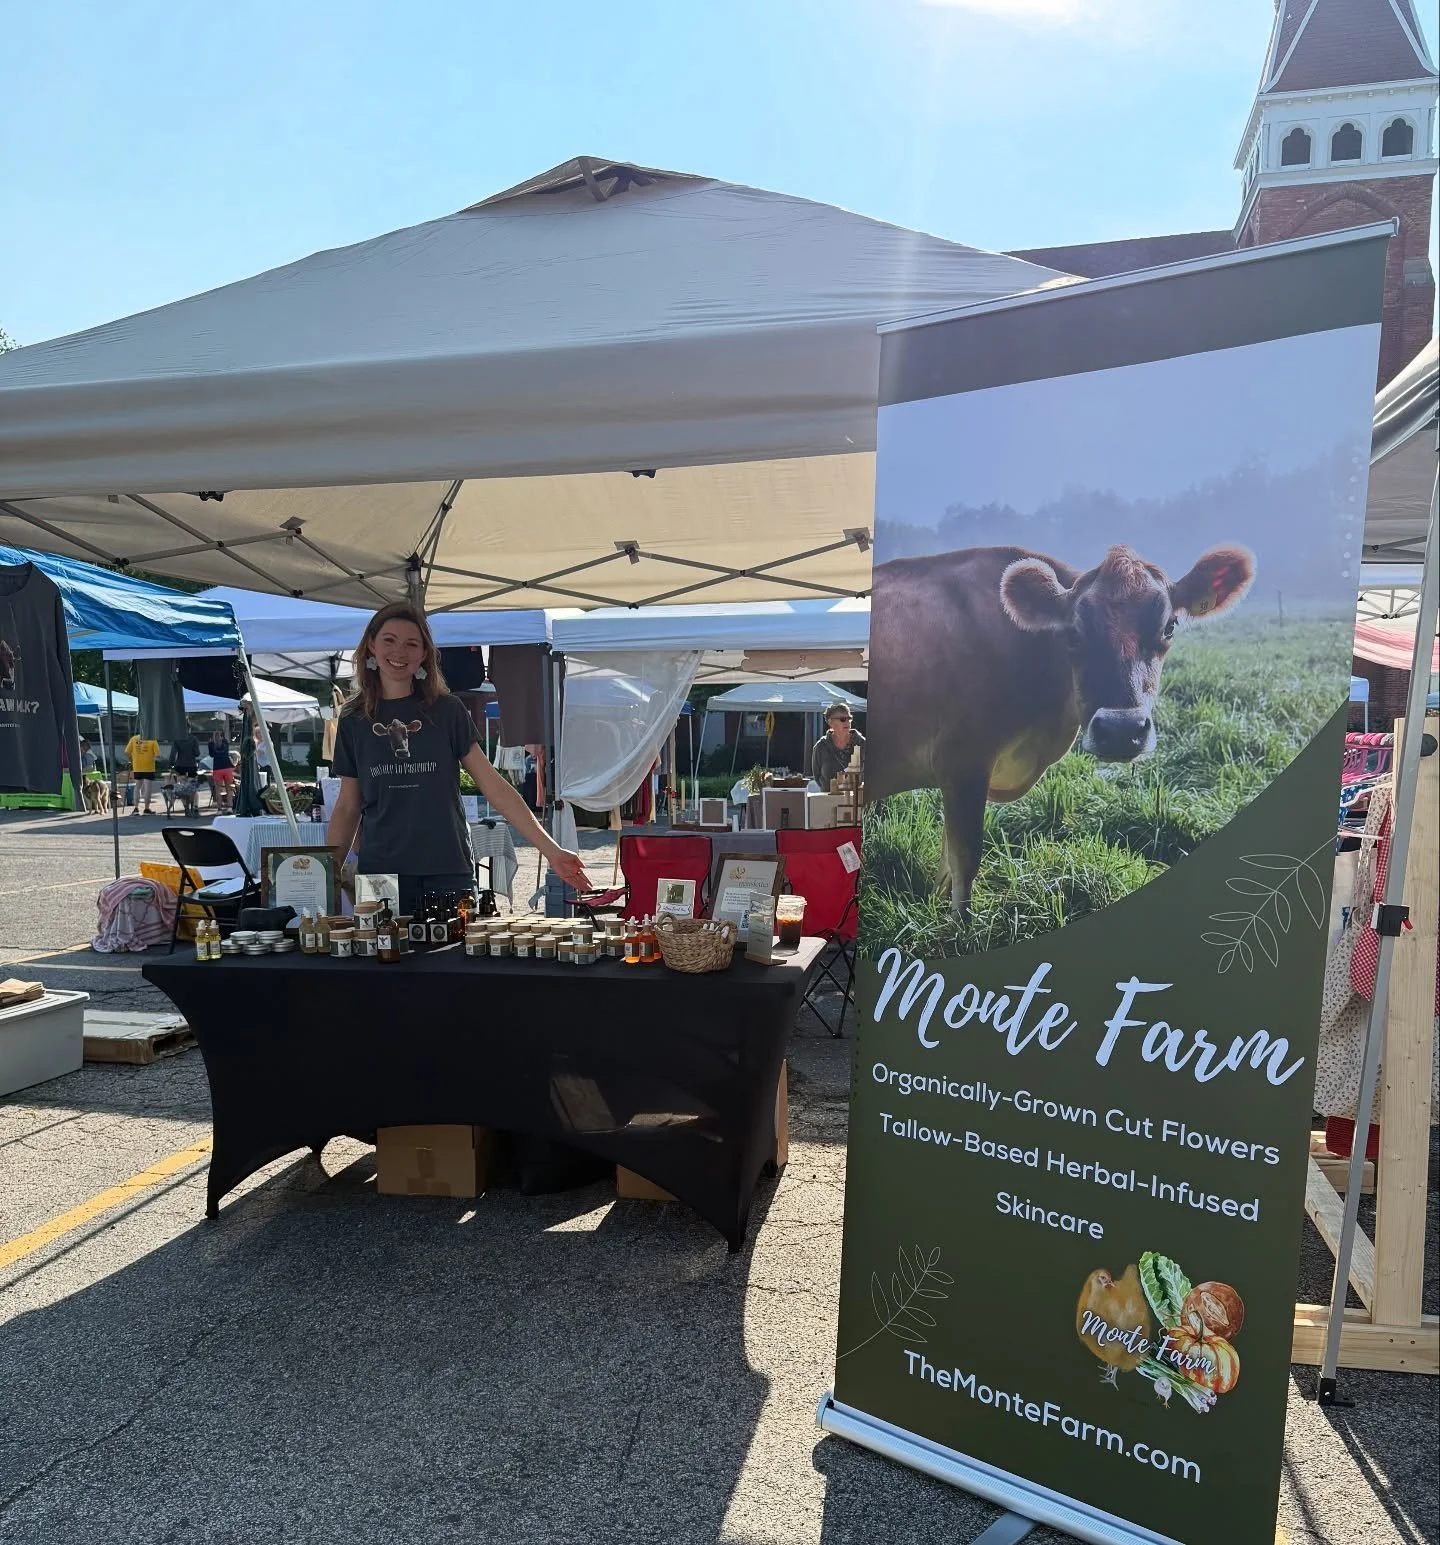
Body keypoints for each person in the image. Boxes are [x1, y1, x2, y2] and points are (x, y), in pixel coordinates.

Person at [327, 603, 590, 917]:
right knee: (384, 950)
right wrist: (328, 871)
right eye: (389, 640)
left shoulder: (447, 711)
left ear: (424, 653)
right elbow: (348, 806)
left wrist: (552, 851)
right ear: (371, 645)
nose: (399, 652)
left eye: (411, 644)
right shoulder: (354, 719)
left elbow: (494, 787)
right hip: (381, 873)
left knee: (455, 950)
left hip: (448, 870)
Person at [811, 702, 865, 789]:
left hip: (855, 796)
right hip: (828, 796)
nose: (847, 722)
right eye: (843, 719)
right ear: (830, 722)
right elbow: (817, 776)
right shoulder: (820, 747)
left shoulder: (862, 744)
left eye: (849, 718)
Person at [125, 731, 159, 815]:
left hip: (137, 767)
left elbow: (127, 752)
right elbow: (157, 755)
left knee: (137, 787)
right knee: (147, 788)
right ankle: (146, 809)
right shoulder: (152, 740)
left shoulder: (134, 739)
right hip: (149, 768)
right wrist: (152, 758)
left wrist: (132, 759)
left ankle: (136, 808)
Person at [208, 727, 235, 813]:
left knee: (218, 790)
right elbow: (226, 752)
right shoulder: (225, 742)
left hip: (217, 768)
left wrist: (211, 743)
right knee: (228, 789)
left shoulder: (211, 744)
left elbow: (211, 755)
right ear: (222, 736)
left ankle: (219, 809)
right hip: (227, 767)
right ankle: (230, 807)